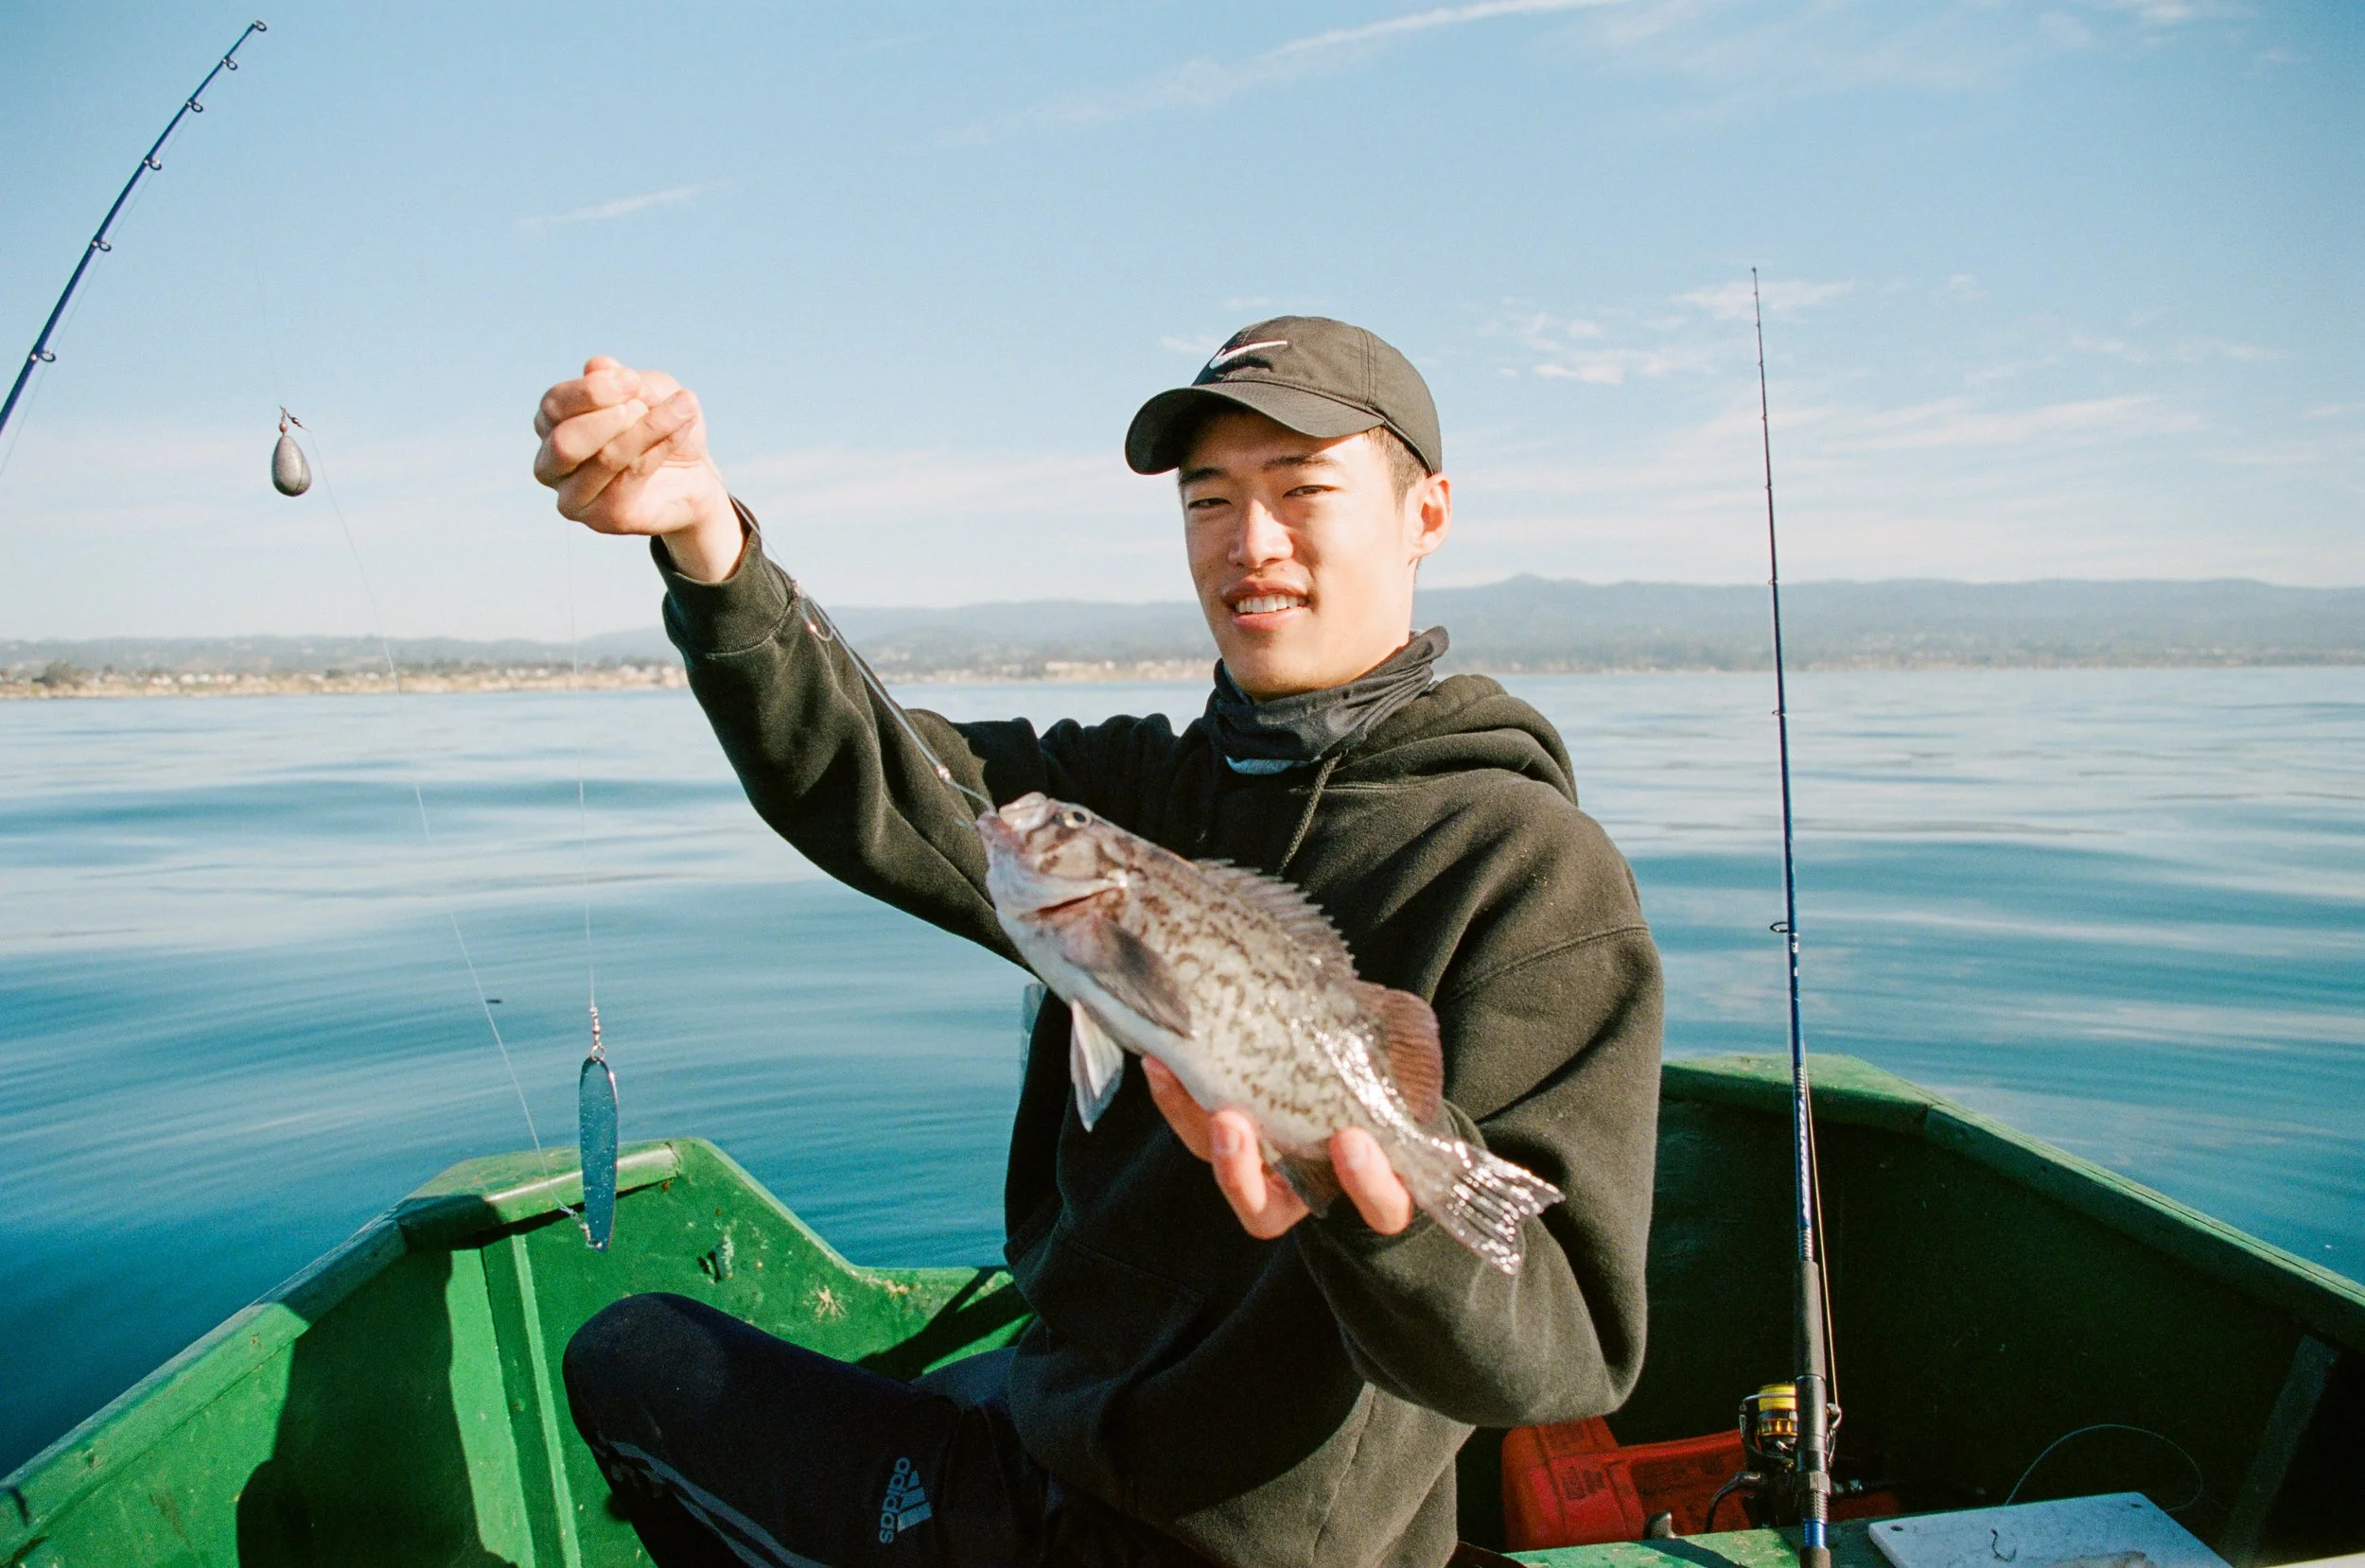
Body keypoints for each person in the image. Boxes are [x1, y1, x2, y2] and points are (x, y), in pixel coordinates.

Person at [534, 318, 1663, 1568]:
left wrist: (1368, 1200)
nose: (1251, 542)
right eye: (1210, 499)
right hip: (1058, 1425)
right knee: (655, 1358)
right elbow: (883, 774)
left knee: (633, 1365)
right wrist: (709, 545)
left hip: (1230, 1542)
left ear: (1426, 513)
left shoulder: (1530, 870)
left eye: (1302, 490)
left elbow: (1562, 1346)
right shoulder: (1124, 800)